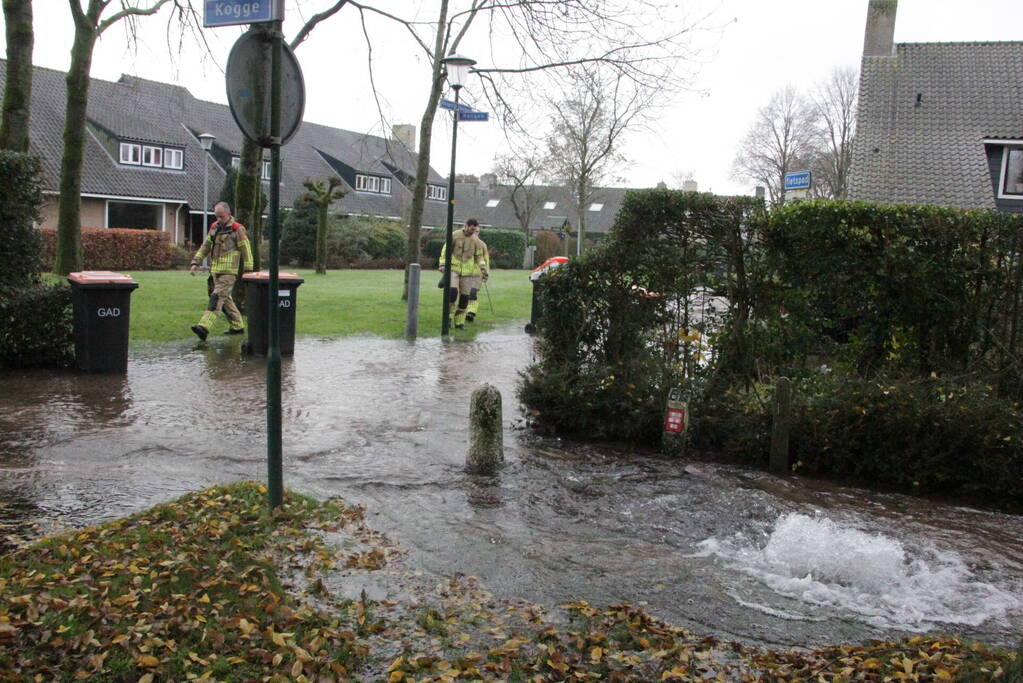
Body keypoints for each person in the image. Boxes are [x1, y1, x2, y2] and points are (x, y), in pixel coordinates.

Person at [188, 201, 253, 340]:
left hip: (229, 272)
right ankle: (238, 326)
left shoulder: (237, 229)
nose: (219, 220)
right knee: (225, 299)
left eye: (221, 216)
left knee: (216, 298)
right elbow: (205, 246)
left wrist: (248, 270)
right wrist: (196, 262)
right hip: (216, 271)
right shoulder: (214, 227)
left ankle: (204, 327)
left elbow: (246, 249)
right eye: (217, 216)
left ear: (229, 214)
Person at [439, 218, 489, 330]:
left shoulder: (476, 241)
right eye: (471, 230)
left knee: (464, 298)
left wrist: (483, 267)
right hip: (453, 269)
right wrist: (442, 264)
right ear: (466, 226)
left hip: (467, 273)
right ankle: (448, 318)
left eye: (474, 230)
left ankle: (459, 323)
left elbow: (479, 255)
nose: (472, 232)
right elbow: (445, 250)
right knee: (452, 293)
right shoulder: (455, 235)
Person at [465, 232, 490, 323]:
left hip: (477, 274)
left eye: (476, 232)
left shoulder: (482, 245)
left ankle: (471, 312)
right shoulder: (465, 242)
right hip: (465, 273)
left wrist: (486, 273)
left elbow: (486, 260)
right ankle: (463, 311)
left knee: (472, 293)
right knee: (465, 294)